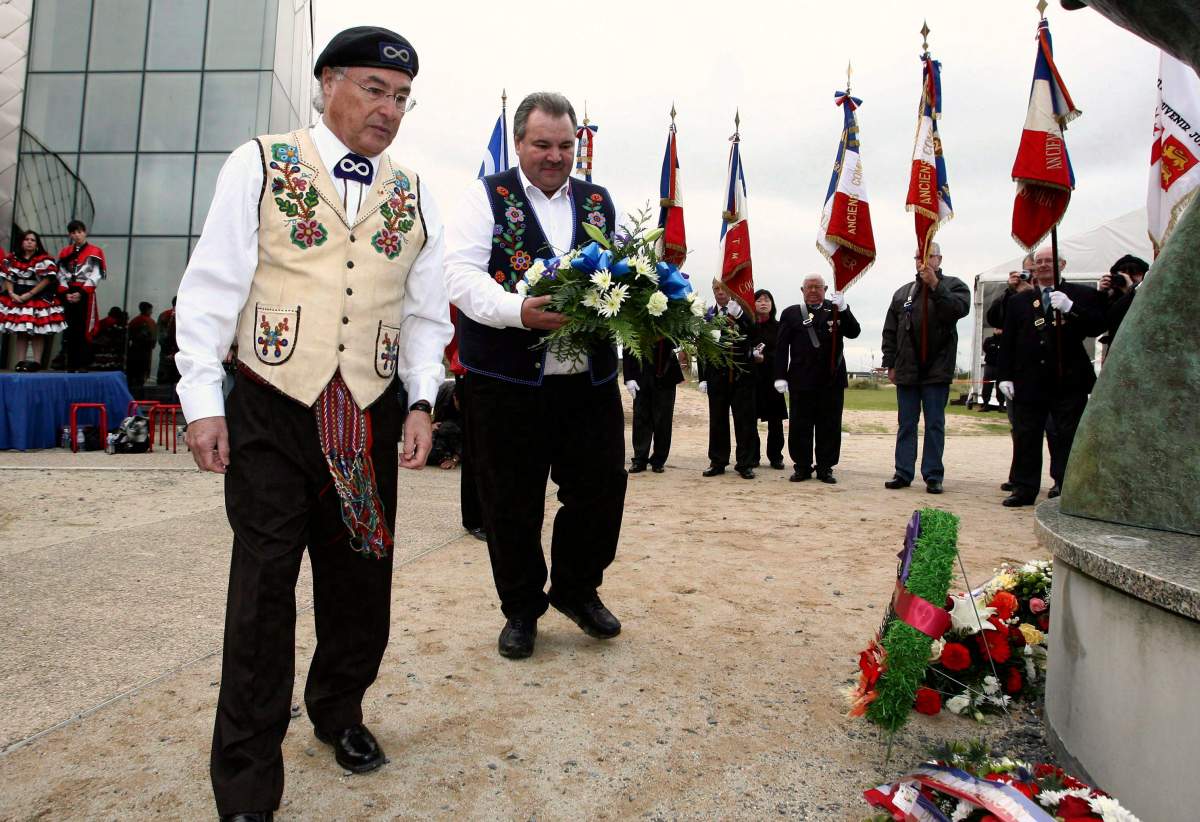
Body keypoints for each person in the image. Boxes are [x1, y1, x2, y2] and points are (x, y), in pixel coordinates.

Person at [174, 27, 452, 821]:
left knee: (362, 582)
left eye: (401, 96)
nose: (388, 108)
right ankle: (247, 783)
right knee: (263, 593)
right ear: (326, 82)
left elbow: (427, 315)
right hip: (272, 404)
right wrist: (202, 402)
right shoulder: (260, 162)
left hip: (367, 413)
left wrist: (424, 398)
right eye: (373, 88)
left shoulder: (416, 191)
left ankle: (340, 710)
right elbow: (211, 286)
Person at [445, 91, 626, 661]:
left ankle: (576, 588)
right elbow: (460, 276)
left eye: (565, 145)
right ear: (519, 142)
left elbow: (615, 275)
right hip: (506, 381)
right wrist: (516, 312)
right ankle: (521, 608)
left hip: (586, 382)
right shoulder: (486, 196)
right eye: (542, 144)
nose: (555, 156)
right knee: (511, 500)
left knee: (600, 489)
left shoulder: (598, 202)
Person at [997, 246, 1106, 506]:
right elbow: (1009, 340)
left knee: (1066, 436)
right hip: (1029, 379)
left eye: (1049, 261)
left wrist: (1071, 308)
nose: (1044, 265)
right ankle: (1024, 488)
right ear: (1033, 267)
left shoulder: (1081, 295)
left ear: (1063, 264)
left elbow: (1097, 326)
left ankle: (1065, 485)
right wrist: (1005, 376)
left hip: (1067, 379)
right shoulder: (1019, 301)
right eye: (1039, 262)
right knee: (1026, 435)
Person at [880, 242, 971, 494]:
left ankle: (933, 475)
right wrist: (890, 362)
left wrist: (935, 285)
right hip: (907, 368)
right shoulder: (903, 293)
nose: (924, 260)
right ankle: (903, 471)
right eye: (920, 256)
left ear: (939, 259)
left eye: (930, 256)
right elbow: (890, 331)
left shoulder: (954, 286)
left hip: (937, 367)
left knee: (934, 423)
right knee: (906, 423)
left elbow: (956, 310)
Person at [774, 274, 860, 483]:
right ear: (802, 290)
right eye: (809, 287)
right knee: (800, 425)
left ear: (825, 289)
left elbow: (854, 332)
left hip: (831, 380)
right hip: (801, 379)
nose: (813, 291)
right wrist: (780, 376)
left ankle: (825, 467)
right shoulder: (791, 313)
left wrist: (845, 309)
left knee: (829, 425)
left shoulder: (836, 309)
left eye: (818, 287)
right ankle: (802, 466)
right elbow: (781, 348)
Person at [699, 280, 759, 479]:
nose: (720, 292)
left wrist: (741, 316)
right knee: (717, 420)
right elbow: (703, 347)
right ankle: (717, 461)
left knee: (744, 421)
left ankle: (745, 463)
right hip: (717, 376)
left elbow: (754, 334)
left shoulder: (744, 311)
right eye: (716, 289)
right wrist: (703, 377)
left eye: (724, 288)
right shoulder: (708, 314)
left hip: (742, 375)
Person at [1, 230, 65, 370]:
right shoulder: (12, 258)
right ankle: (20, 362)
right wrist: (12, 294)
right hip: (16, 296)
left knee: (38, 331)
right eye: (27, 239)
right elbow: (8, 277)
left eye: (33, 240)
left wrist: (29, 294)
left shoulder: (44, 259)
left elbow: (47, 279)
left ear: (37, 244)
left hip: (37, 296)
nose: (29, 242)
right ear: (22, 242)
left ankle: (36, 362)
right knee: (21, 331)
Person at [623, 335, 684, 473]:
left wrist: (664, 335)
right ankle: (639, 459)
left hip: (665, 371)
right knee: (640, 416)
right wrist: (628, 377)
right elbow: (628, 345)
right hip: (641, 370)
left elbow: (678, 341)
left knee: (663, 418)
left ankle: (659, 460)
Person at [55, 220, 106, 371]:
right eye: (73, 232)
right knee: (69, 329)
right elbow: (61, 274)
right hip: (69, 293)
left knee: (84, 329)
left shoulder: (95, 251)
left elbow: (96, 275)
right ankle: (70, 364)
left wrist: (82, 292)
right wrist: (66, 293)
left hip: (86, 294)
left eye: (79, 232)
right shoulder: (65, 252)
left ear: (85, 232)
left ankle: (83, 364)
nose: (77, 235)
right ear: (70, 234)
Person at [752, 288, 787, 470]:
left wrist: (766, 358)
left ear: (772, 304)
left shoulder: (779, 326)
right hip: (752, 378)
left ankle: (776, 456)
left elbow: (782, 353)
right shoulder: (748, 325)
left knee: (775, 421)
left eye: (767, 300)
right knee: (750, 420)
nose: (763, 303)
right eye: (759, 300)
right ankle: (753, 455)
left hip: (773, 378)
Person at [1099, 253, 1150, 348]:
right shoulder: (1112, 297)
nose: (1128, 278)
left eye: (1134, 273)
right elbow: (1100, 324)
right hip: (1116, 349)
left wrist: (1132, 290)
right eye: (1123, 274)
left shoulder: (1149, 295)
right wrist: (1101, 295)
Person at [126, 301, 156, 389]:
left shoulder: (134, 321)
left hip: (133, 350)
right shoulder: (150, 322)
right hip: (145, 352)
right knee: (141, 375)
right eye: (150, 310)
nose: (151, 312)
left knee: (132, 375)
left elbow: (128, 336)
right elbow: (153, 339)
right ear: (147, 310)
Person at [156, 297, 180, 385]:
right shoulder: (183, 316)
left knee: (164, 381)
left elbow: (160, 337)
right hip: (178, 354)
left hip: (166, 354)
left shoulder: (164, 315)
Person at [980, 328, 1004, 411]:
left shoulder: (1005, 341)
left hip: (1000, 367)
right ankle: (985, 405)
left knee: (1000, 386)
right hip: (989, 366)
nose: (998, 330)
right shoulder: (989, 340)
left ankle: (1001, 405)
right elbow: (986, 348)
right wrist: (996, 349)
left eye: (1000, 329)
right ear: (994, 330)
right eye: (996, 329)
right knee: (987, 385)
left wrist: (995, 349)